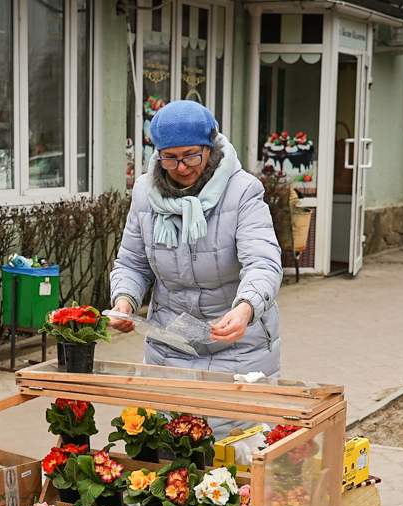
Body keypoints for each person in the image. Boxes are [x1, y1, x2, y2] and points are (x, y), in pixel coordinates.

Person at [108, 100, 282, 378]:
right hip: (169, 347)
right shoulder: (144, 192)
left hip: (237, 345)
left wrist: (246, 308)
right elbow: (133, 263)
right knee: (165, 421)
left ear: (210, 148)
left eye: (191, 155)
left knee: (235, 423)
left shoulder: (243, 191)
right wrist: (125, 300)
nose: (181, 167)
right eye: (170, 157)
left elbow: (263, 263)